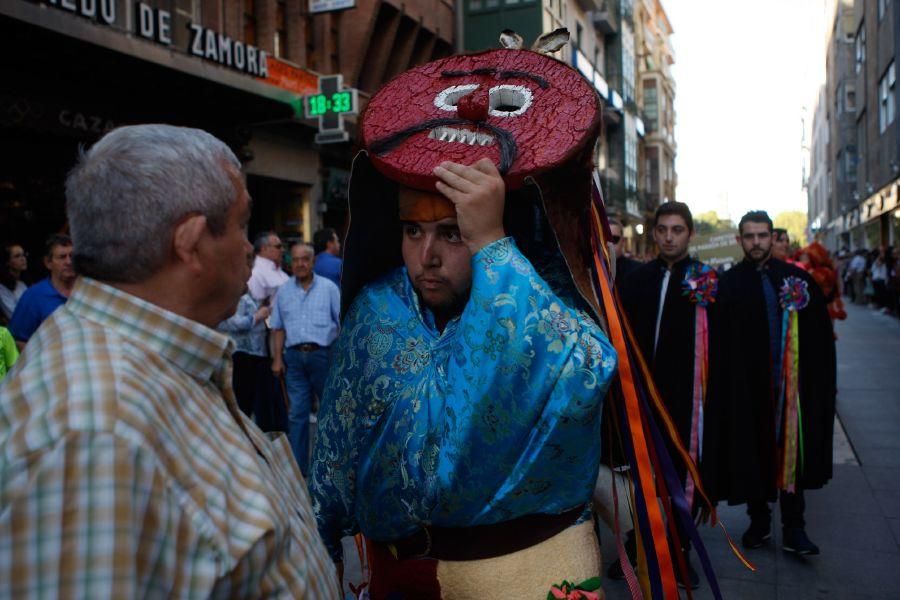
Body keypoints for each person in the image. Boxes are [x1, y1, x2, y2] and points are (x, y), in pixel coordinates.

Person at [309, 40, 627, 598]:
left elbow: (582, 370)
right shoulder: (375, 311)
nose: (426, 257)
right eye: (413, 231)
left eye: (451, 233)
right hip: (398, 574)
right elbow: (336, 444)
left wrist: (490, 242)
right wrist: (322, 540)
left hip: (523, 572)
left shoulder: (545, 300)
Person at [0, 124, 336, 597]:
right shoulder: (95, 435)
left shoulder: (152, 370)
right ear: (192, 242)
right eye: (242, 226)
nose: (249, 249)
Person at [704, 210, 835, 556]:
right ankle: (759, 520)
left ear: (773, 236)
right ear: (740, 240)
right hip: (748, 389)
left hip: (790, 389)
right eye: (749, 236)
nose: (757, 242)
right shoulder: (728, 285)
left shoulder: (796, 279)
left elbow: (819, 338)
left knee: (790, 454)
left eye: (762, 235)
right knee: (753, 452)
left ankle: (794, 526)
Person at [613, 201, 715, 588]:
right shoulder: (636, 278)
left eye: (678, 230)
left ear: (689, 234)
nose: (669, 237)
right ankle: (636, 546)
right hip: (639, 397)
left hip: (685, 400)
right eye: (663, 230)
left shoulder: (704, 281)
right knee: (639, 475)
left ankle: (680, 552)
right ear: (654, 233)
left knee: (680, 476)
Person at [270, 242, 340, 476]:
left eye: (305, 259)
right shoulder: (283, 291)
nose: (300, 264)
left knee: (329, 412)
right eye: (296, 259)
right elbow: (277, 328)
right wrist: (277, 359)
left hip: (323, 356)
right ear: (291, 263)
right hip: (294, 358)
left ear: (312, 262)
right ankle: (300, 471)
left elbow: (341, 324)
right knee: (297, 414)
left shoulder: (329, 288)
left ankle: (332, 466)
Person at [217, 291, 287, 432]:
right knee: (243, 404)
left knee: (262, 406)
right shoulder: (232, 297)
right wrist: (258, 316)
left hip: (259, 356)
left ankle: (261, 442)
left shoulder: (251, 296)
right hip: (240, 355)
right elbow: (233, 323)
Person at [8, 234, 75, 348]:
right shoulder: (33, 297)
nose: (69, 262)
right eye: (62, 257)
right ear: (48, 263)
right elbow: (15, 342)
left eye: (72, 256)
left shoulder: (90, 291)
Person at [248, 230, 289, 303]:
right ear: (263, 249)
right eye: (278, 247)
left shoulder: (280, 272)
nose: (282, 250)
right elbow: (257, 307)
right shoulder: (255, 274)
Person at [0, 243, 28, 321]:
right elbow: (14, 316)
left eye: (23, 255)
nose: (23, 259)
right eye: (17, 256)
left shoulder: (22, 284)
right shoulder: (2, 288)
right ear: (8, 262)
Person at [609, 218, 640, 283]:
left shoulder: (637, 270)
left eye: (614, 239)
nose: (609, 244)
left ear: (623, 242)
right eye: (603, 239)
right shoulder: (590, 270)